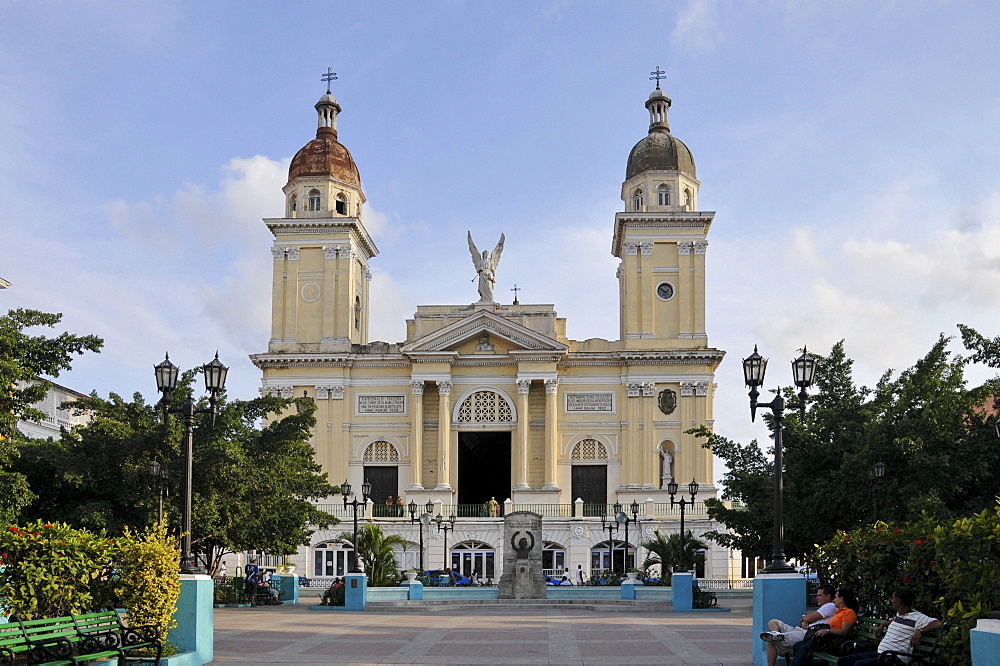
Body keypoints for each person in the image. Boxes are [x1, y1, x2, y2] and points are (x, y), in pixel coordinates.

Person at [836, 587, 942, 666]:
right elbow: (895, 621)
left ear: (899, 601)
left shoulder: (917, 617)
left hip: (894, 659)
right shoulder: (899, 615)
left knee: (859, 665)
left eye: (893, 598)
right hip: (880, 654)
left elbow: (938, 623)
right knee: (843, 661)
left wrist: (920, 631)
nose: (891, 600)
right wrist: (884, 624)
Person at [759, 584, 837, 666]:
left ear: (828, 596)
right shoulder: (825, 607)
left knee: (770, 642)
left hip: (806, 634)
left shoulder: (830, 606)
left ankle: (775, 637)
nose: (817, 598)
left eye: (819, 596)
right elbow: (806, 619)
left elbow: (808, 618)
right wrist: (804, 621)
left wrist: (804, 619)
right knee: (773, 622)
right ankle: (776, 634)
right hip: (802, 630)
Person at [789, 587, 859, 666]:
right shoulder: (838, 611)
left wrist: (828, 631)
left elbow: (844, 631)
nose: (833, 600)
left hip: (834, 642)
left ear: (841, 599)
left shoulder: (848, 612)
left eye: (836, 597)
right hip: (825, 640)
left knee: (806, 647)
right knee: (797, 645)